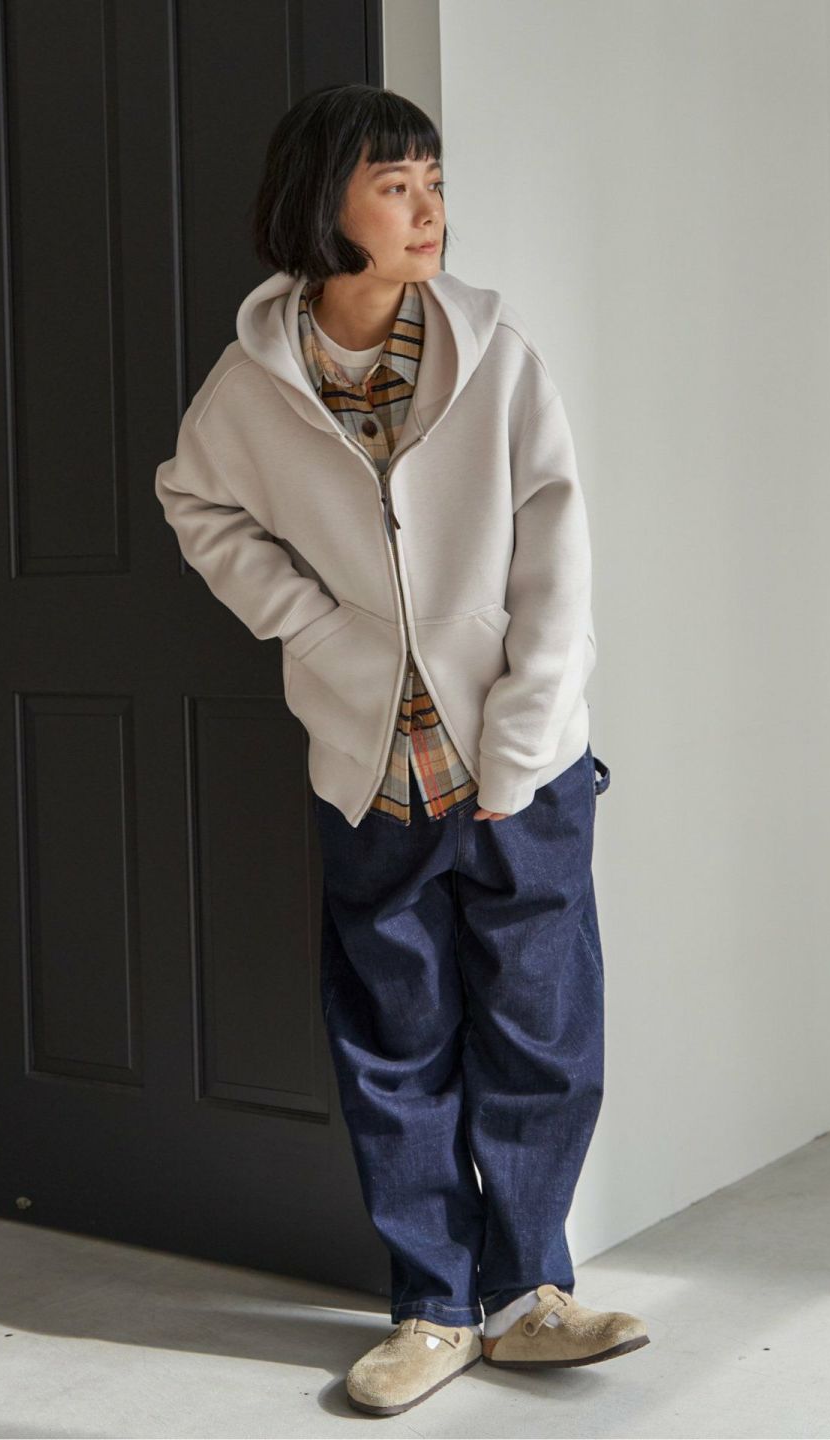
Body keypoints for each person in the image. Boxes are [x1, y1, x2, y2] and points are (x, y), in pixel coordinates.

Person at [154, 82, 648, 1418]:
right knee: (396, 1042)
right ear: (326, 205)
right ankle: (433, 1308)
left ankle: (529, 1295)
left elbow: (557, 564)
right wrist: (314, 629)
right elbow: (194, 502)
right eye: (396, 185)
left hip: (522, 768)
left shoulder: (497, 358)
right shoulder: (251, 386)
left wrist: (526, 744)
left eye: (434, 182)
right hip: (373, 775)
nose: (429, 210)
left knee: (543, 1034)